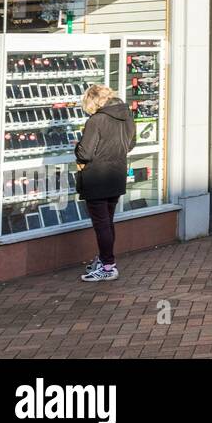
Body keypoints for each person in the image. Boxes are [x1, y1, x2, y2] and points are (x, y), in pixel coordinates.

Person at [77, 85, 135, 282]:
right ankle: (104, 260)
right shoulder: (126, 116)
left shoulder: (96, 120)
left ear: (93, 100)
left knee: (101, 224)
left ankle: (108, 266)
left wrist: (76, 146)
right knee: (107, 222)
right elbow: (131, 144)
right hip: (117, 174)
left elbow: (85, 153)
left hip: (96, 178)